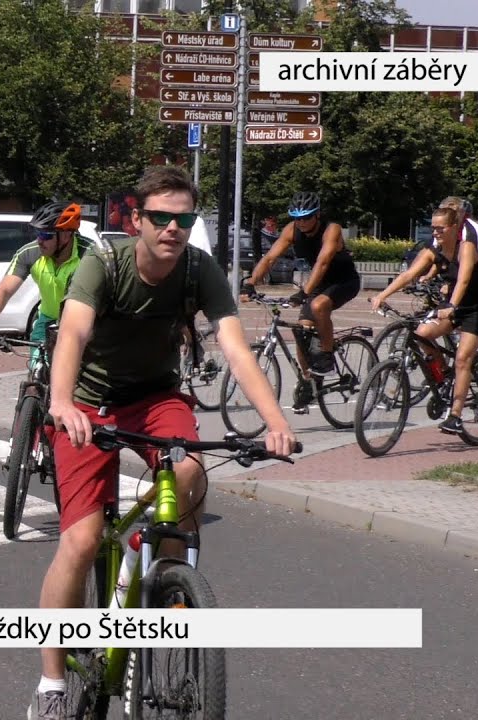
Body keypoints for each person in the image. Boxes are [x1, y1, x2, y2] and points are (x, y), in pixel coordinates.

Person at [29, 166, 297, 720]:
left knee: (192, 474)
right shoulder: (103, 265)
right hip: (88, 403)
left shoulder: (199, 271)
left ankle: (166, 587)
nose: (172, 228)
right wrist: (59, 404)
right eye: (160, 217)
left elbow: (235, 347)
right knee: (79, 542)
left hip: (155, 398)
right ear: (137, 219)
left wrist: (276, 421)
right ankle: (51, 683)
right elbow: (73, 332)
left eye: (183, 218)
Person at [371, 206, 478, 434]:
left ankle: (456, 416)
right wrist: (382, 295)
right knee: (422, 334)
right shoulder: (434, 249)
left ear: (454, 227)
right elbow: (409, 274)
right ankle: (445, 377)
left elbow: (464, 281)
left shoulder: (465, 247)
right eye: (433, 228)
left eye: (441, 228)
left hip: (475, 308)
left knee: (462, 359)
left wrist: (451, 305)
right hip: (451, 307)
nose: (435, 232)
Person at [242, 191, 361, 411]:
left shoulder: (331, 229)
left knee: (318, 306)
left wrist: (304, 292)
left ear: (316, 215)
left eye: (306, 217)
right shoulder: (291, 230)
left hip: (344, 281)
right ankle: (308, 383)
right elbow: (270, 258)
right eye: (297, 217)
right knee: (301, 331)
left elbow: (323, 262)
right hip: (317, 284)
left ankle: (326, 356)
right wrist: (251, 282)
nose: (301, 222)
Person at [0, 201, 85, 353]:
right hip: (47, 320)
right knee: (38, 369)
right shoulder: (30, 253)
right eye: (37, 233)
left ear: (66, 235)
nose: (39, 240)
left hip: (81, 322)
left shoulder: (90, 256)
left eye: (46, 235)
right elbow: (4, 289)